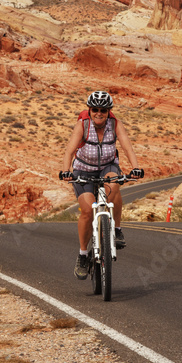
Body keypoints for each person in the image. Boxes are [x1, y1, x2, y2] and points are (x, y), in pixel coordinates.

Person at [62, 90, 141, 280]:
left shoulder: (115, 124)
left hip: (107, 166)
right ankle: (82, 256)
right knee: (88, 211)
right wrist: (66, 171)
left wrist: (136, 168)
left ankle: (116, 230)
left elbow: (127, 147)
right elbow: (69, 151)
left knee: (115, 183)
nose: (99, 113)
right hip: (83, 170)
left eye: (103, 110)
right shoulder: (83, 125)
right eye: (95, 109)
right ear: (89, 110)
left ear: (108, 112)